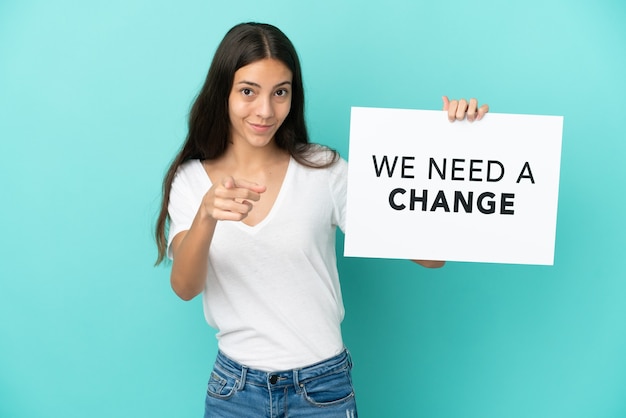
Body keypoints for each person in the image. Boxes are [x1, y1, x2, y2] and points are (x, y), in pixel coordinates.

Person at [154, 22, 489, 418]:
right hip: (235, 392)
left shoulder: (324, 171)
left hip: (321, 391)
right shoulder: (190, 180)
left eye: (281, 92)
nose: (265, 110)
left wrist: (457, 147)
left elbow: (432, 257)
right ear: (222, 92)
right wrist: (208, 215)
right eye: (248, 91)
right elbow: (185, 287)